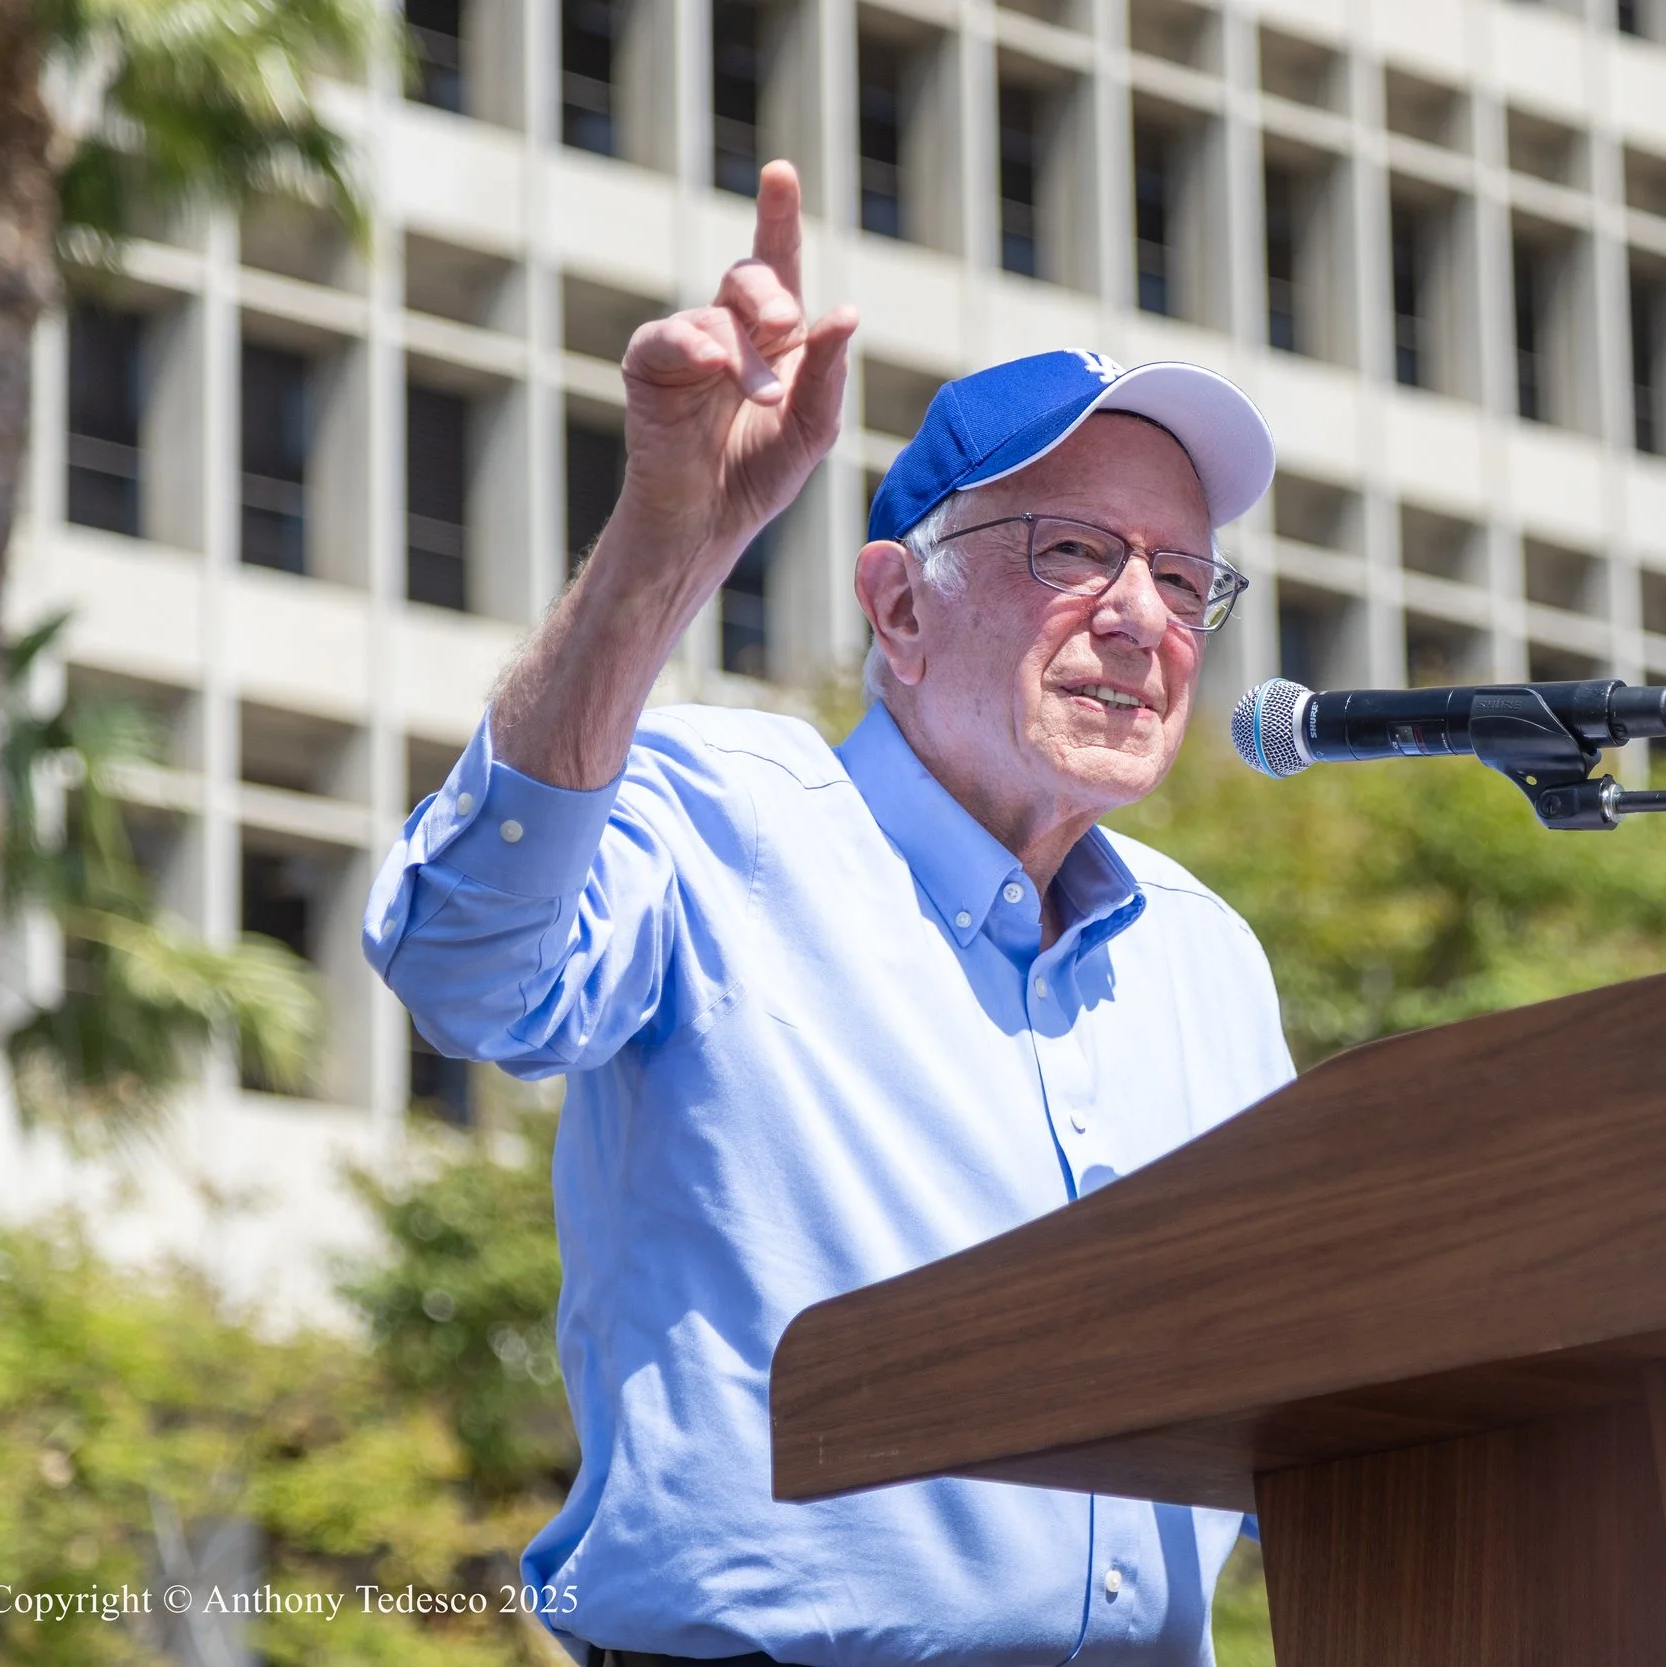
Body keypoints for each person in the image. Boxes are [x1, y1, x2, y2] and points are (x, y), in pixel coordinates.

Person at [361, 160, 1294, 1667]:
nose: (1142, 616)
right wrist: (665, 554)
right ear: (899, 606)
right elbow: (462, 966)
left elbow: (1301, 1376)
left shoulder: (1210, 957)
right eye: (1075, 550)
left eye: (1185, 577)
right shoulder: (721, 808)